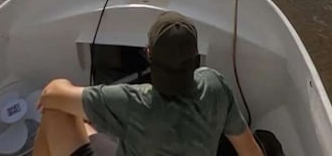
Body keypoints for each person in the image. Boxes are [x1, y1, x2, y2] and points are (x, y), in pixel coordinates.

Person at [32, 11, 264, 156]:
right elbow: (251, 151)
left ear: (148, 53)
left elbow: (51, 94)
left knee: (57, 112)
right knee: (85, 122)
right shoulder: (215, 85)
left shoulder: (132, 102)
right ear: (195, 58)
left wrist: (73, 94)